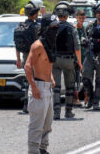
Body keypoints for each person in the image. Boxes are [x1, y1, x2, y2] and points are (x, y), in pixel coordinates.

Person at [25, 14, 58, 154]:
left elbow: (47, 65)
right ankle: (33, 151)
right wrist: (33, 87)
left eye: (56, 26)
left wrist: (51, 77)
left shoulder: (49, 44)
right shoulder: (37, 45)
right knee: (36, 125)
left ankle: (42, 149)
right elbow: (27, 66)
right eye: (52, 27)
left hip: (48, 88)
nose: (55, 29)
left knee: (47, 124)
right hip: (38, 87)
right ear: (45, 28)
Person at [52, 2, 82, 119]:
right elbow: (77, 47)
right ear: (67, 15)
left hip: (55, 60)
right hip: (68, 61)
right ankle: (68, 111)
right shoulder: (71, 28)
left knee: (56, 87)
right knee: (70, 86)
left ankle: (56, 112)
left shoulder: (52, 27)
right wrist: (79, 62)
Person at [15, 0, 42, 113]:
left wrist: (18, 59)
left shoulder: (20, 26)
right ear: (34, 14)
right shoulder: (36, 27)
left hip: (25, 56)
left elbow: (16, 44)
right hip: (35, 56)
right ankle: (34, 104)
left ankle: (26, 104)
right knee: (36, 80)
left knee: (28, 80)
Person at [73, 9, 87, 107]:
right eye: (79, 17)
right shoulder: (74, 29)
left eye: (83, 17)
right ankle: (76, 98)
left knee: (86, 78)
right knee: (76, 79)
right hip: (75, 58)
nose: (81, 19)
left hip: (85, 57)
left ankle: (87, 97)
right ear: (76, 17)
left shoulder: (85, 29)